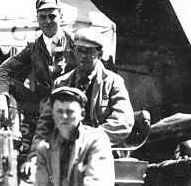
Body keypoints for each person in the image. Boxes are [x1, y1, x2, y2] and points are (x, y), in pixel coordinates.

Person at [27, 27, 134, 170]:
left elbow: (123, 121)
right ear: (73, 52)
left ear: (100, 53)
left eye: (89, 51)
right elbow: (46, 122)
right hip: (65, 153)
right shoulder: (62, 83)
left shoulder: (113, 82)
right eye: (79, 50)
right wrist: (35, 155)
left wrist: (87, 138)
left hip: (100, 153)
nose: (83, 56)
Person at [0, 0, 76, 169]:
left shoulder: (75, 44)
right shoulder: (34, 47)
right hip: (42, 106)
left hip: (70, 105)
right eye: (42, 17)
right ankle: (14, 138)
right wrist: (1, 97)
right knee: (11, 85)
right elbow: (4, 70)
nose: (48, 21)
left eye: (52, 16)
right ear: (37, 19)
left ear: (61, 17)